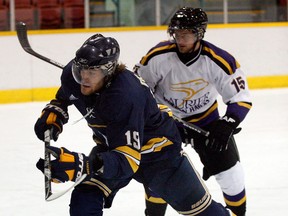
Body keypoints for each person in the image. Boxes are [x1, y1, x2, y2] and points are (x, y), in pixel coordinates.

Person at [34, 34, 234, 216]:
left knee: (206, 213)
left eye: (92, 72)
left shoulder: (126, 96)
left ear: (108, 72)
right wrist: (55, 111)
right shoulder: (73, 75)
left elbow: (128, 161)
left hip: (159, 157)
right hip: (113, 149)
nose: (83, 78)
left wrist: (82, 165)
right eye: (81, 69)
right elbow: (66, 94)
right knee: (84, 200)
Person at [134, 7, 252, 216]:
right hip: (167, 123)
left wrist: (228, 123)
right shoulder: (157, 57)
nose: (181, 39)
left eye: (186, 34)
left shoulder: (218, 59)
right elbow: (139, 90)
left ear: (200, 33)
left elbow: (240, 98)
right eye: (177, 33)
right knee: (158, 176)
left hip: (207, 123)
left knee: (232, 175)